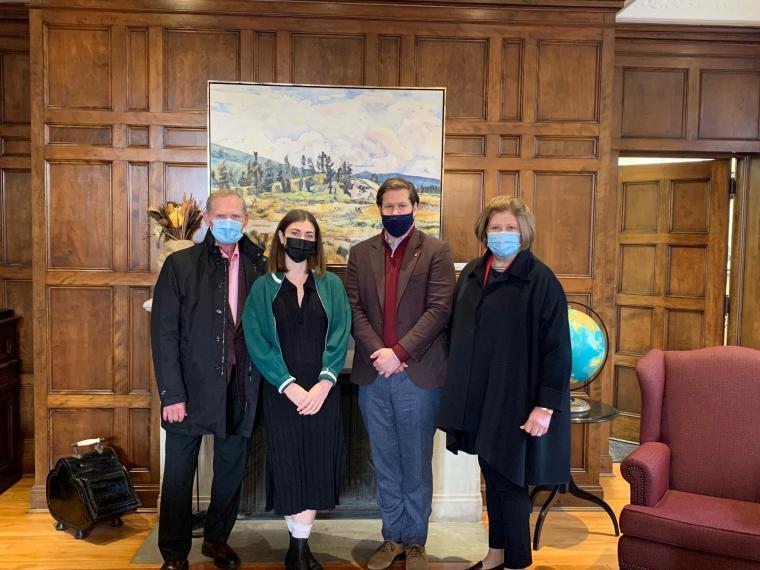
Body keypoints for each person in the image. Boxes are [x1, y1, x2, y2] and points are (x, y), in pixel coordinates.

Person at [437, 196, 572, 570]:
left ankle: (517, 562)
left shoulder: (541, 280)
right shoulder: (472, 273)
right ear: (484, 231)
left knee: (511, 484)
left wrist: (545, 406)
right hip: (479, 399)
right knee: (492, 478)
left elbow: (558, 348)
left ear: (523, 232)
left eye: (510, 228)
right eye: (495, 228)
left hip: (517, 401)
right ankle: (495, 555)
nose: (502, 234)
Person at [151, 190, 267, 570]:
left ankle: (217, 540)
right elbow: (164, 333)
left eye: (236, 215)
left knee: (230, 471)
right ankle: (173, 553)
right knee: (180, 475)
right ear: (207, 218)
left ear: (246, 221)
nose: (229, 221)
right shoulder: (180, 265)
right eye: (221, 215)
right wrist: (171, 394)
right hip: (189, 389)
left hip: (240, 387)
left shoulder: (259, 267)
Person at [346, 178, 456, 570]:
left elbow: (439, 310)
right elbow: (353, 308)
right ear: (379, 210)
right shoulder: (360, 253)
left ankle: (416, 542)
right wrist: (380, 353)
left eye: (401, 206)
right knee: (384, 461)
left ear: (415, 206)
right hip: (375, 375)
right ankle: (391, 537)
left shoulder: (437, 252)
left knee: (415, 461)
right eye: (388, 207)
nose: (395, 213)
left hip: (417, 375)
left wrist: (400, 352)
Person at [243, 209, 351, 570]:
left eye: (310, 233)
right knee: (289, 465)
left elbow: (339, 334)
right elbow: (257, 341)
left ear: (316, 241)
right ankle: (296, 548)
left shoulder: (331, 284)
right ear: (281, 236)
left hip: (324, 392)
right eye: (296, 232)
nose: (303, 239)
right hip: (282, 393)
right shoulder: (263, 286)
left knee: (318, 465)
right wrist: (287, 385)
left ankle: (301, 547)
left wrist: (325, 381)